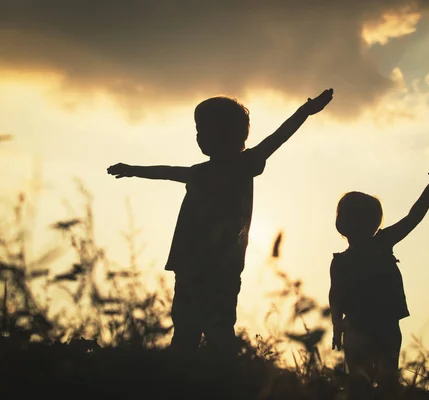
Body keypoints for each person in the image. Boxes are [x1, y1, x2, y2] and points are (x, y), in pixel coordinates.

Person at [107, 88, 333, 359]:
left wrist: (305, 111)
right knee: (186, 327)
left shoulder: (245, 163)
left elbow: (279, 137)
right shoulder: (200, 172)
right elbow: (167, 172)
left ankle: (222, 377)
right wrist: (132, 170)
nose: (200, 136)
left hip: (221, 265)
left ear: (230, 134)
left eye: (205, 130)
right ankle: (186, 374)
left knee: (219, 328)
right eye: (198, 130)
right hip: (190, 263)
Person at [329, 164, 429, 399]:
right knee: (368, 383)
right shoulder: (344, 260)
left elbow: (413, 218)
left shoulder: (378, 245)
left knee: (382, 382)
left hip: (379, 326)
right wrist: (336, 326)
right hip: (363, 327)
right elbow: (335, 297)